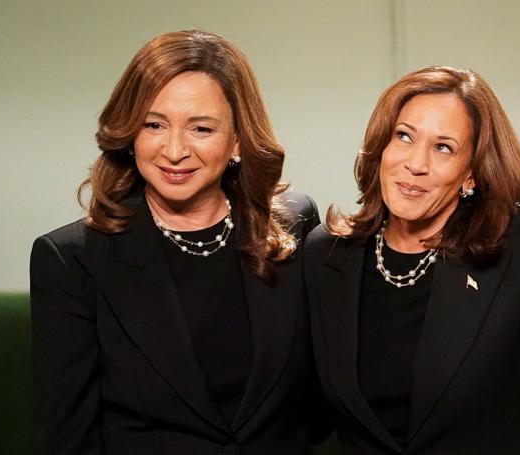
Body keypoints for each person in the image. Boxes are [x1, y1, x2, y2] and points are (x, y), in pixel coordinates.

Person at [304, 66, 520, 454]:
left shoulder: (519, 250)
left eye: (443, 147)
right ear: (381, 148)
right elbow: (304, 413)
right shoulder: (326, 254)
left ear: (470, 175)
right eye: (404, 136)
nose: (415, 163)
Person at [30, 30, 330, 454]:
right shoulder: (71, 258)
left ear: (238, 140)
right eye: (154, 124)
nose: (174, 150)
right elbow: (67, 438)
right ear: (130, 135)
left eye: (201, 128)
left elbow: (318, 407)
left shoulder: (295, 223)